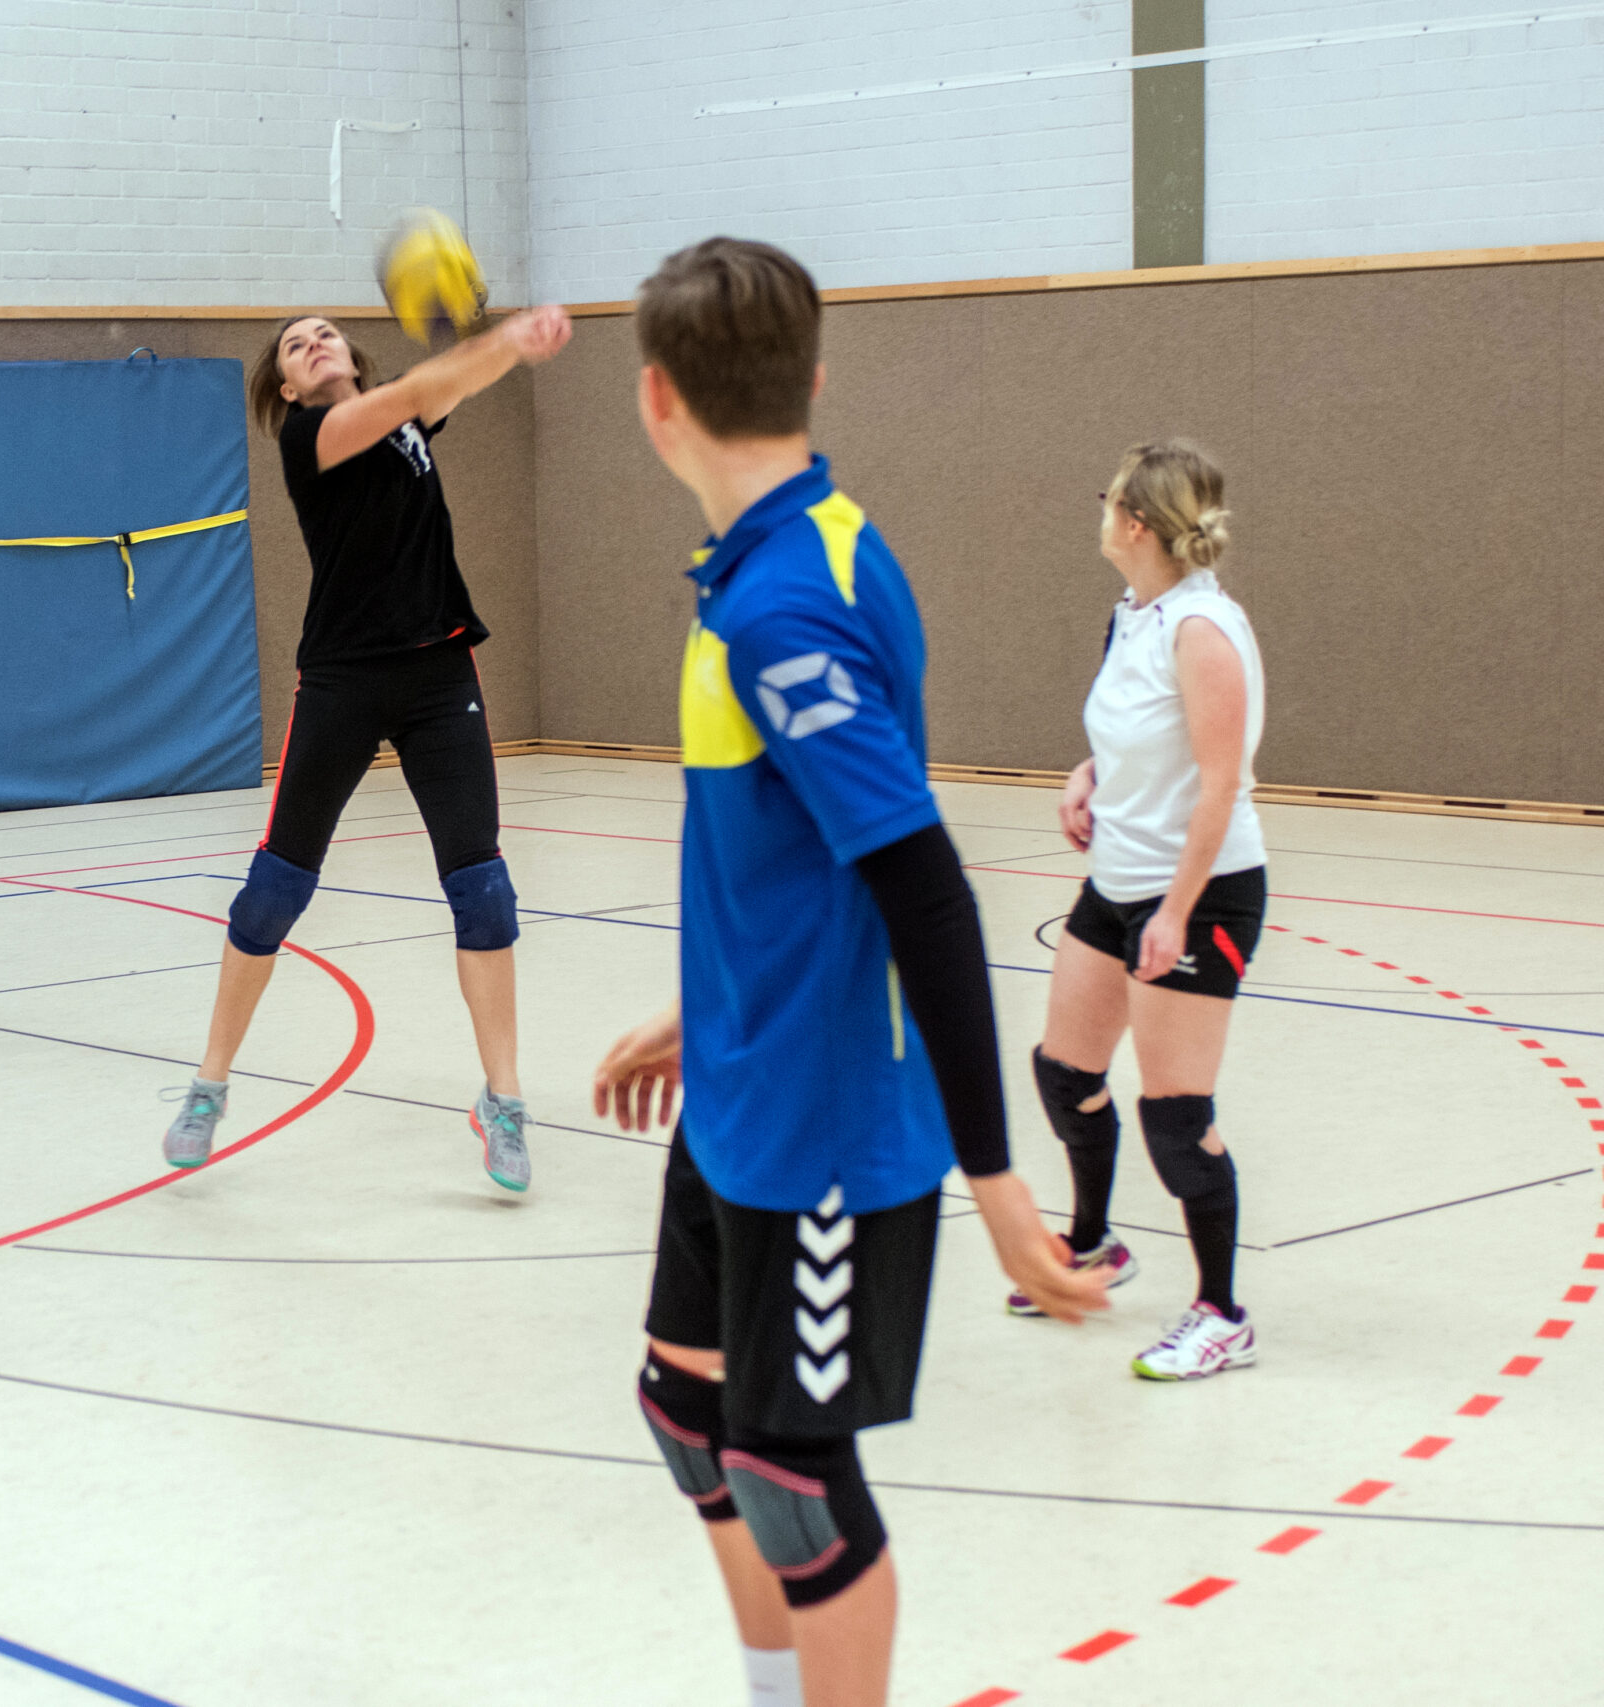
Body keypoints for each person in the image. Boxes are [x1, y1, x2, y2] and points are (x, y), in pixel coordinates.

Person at [590, 238, 1107, 1707]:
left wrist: (993, 1178)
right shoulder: (801, 547)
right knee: (689, 1411)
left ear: (653, 399)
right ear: (812, 378)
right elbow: (797, 846)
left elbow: (924, 884)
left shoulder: (782, 608)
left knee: (791, 1477)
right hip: (743, 1079)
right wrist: (705, 1005)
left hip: (824, 1118)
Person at [159, 306, 572, 1191]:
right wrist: (506, 339)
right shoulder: (310, 436)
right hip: (342, 682)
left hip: (439, 675)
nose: (315, 344)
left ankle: (503, 1100)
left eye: (325, 333)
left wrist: (504, 352)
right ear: (286, 387)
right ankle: (209, 1084)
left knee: (484, 891)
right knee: (274, 890)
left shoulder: (407, 422)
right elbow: (422, 390)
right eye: (296, 345)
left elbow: (444, 387)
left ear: (351, 352)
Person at [1014, 439, 1267, 1383]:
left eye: (1107, 498)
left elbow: (1221, 783)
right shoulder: (1132, 614)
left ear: (1134, 522)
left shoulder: (1202, 629)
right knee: (1064, 1069)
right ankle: (1092, 1243)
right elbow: (1140, 734)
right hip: (1116, 881)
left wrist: (1177, 913)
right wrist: (1088, 775)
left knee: (1175, 1113)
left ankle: (1221, 1314)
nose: (1100, 512)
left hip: (1197, 893)